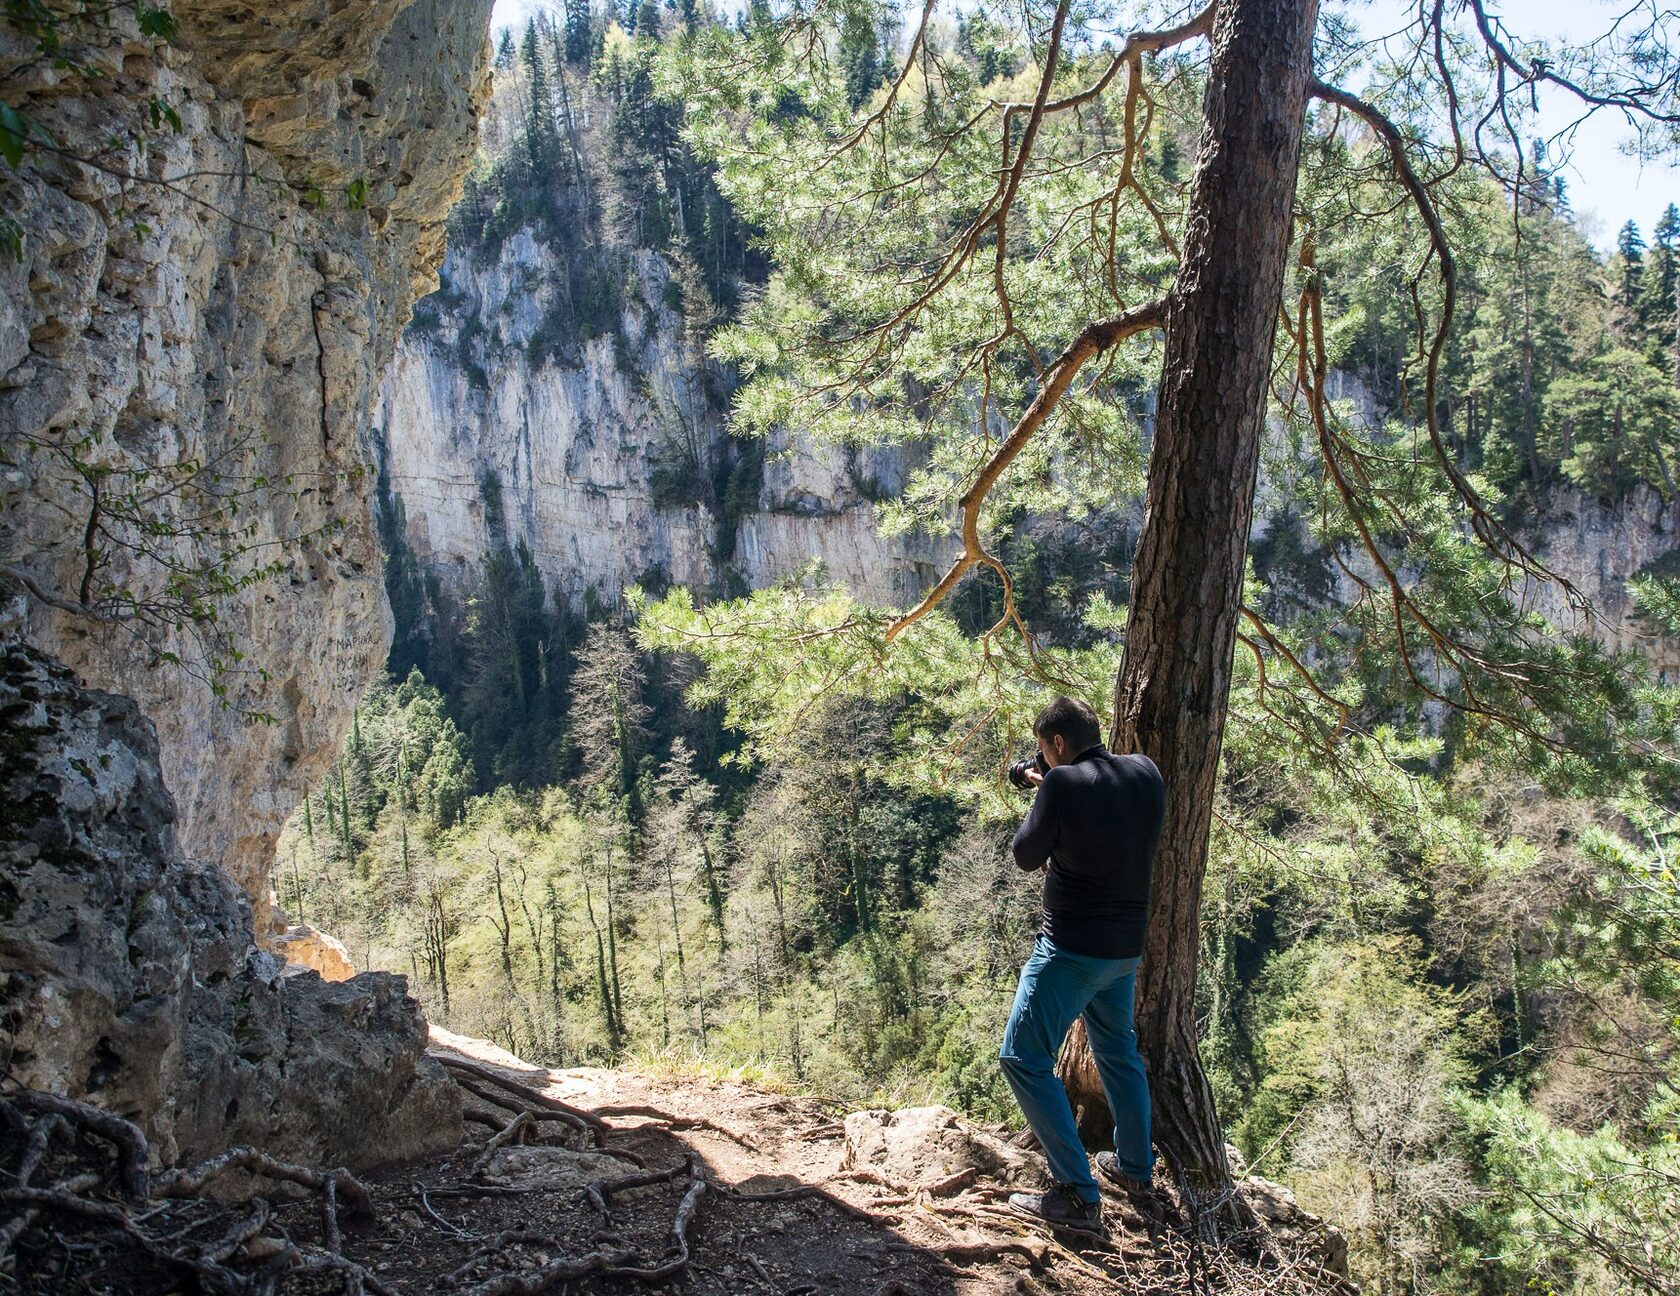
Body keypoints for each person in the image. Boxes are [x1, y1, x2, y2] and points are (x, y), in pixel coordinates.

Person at [999, 696, 1164, 1235]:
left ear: (1058, 745)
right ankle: (1136, 1170)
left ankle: (1077, 1193)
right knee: (1118, 1051)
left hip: (1070, 951)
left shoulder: (1061, 786)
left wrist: (1044, 786)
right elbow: (1100, 804)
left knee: (1022, 1056)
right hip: (1124, 951)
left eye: (1046, 751)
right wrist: (1047, 779)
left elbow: (1026, 855)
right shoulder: (1145, 773)